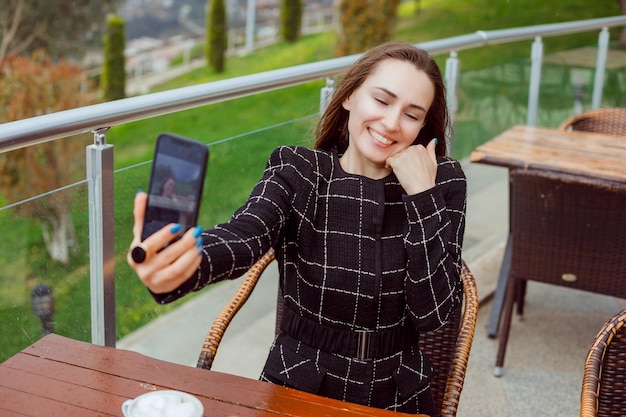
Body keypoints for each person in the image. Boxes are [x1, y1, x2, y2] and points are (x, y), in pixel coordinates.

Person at [127, 41, 466, 416]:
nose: (391, 123)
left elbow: (433, 312)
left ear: (423, 126)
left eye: (412, 115)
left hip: (398, 393)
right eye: (382, 101)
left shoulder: (441, 182)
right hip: (300, 384)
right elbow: (245, 235)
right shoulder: (299, 170)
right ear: (351, 95)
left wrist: (422, 196)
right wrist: (183, 262)